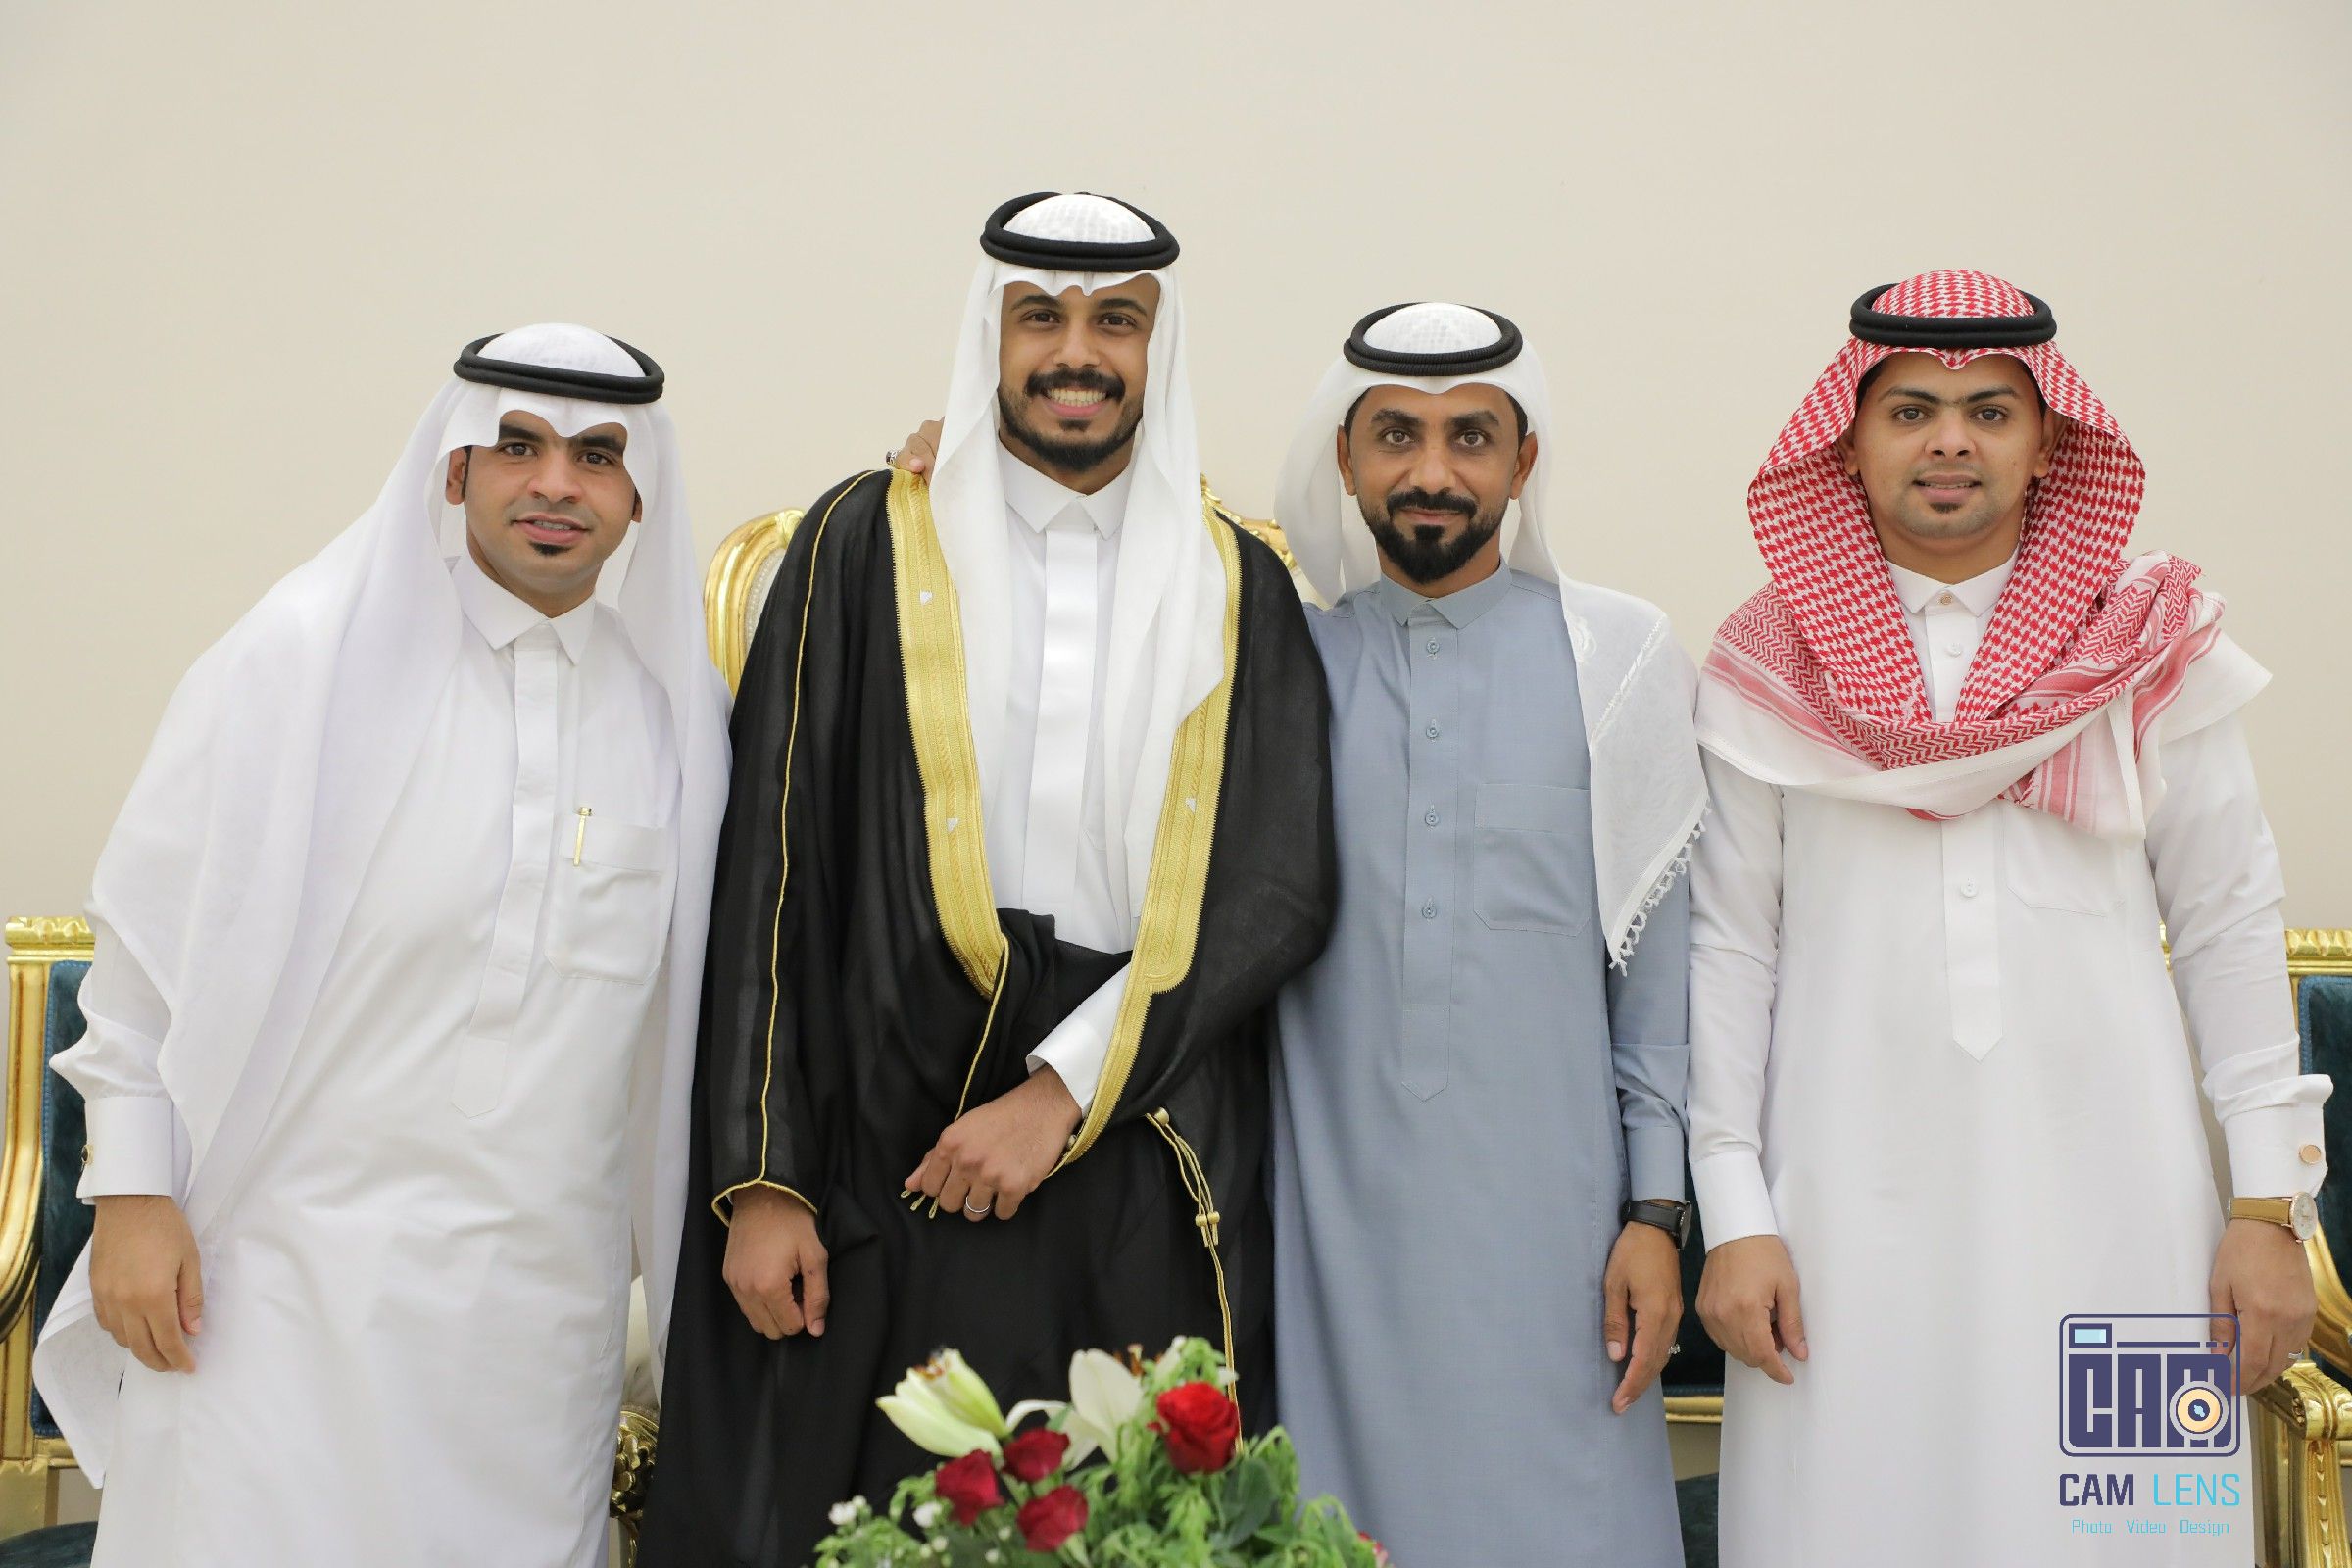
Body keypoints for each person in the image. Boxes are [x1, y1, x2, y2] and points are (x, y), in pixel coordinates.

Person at [639, 191, 1334, 1566]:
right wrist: (763, 1180)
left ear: (1157, 349)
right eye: (1040, 317)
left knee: (1127, 1521)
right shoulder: (860, 543)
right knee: (876, 1519)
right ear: (990, 337)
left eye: (1116, 321)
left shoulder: (1238, 583)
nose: (1077, 351)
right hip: (885, 1129)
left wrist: (1061, 1089)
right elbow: (771, 875)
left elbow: (1277, 887)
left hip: (1141, 1125)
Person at [34, 324, 727, 1567]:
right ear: (455, 469)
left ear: (640, 497)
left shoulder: (678, 725)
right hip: (273, 1288)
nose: (555, 482)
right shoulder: (304, 657)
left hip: (531, 1327)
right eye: (517, 445)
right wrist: (131, 1195)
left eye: (597, 455)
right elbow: (145, 946)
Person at [1689, 271, 2328, 1566]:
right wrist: (1735, 1212)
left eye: (1989, 411)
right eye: (1910, 411)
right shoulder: (1768, 666)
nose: (1950, 442)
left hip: (2119, 1199)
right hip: (1842, 1211)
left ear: (2048, 445)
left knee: (2131, 1521)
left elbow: (2228, 921)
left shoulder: (2148, 645)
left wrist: (2269, 1208)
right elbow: (1729, 947)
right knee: (1851, 1519)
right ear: (1846, 444)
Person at [1265, 302, 1702, 1566]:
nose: (1433, 470)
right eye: (1396, 434)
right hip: (1330, 1243)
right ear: (1346, 458)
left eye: (1471, 436)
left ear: (1523, 461)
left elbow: (1656, 982)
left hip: (1558, 1247)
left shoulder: (1618, 656)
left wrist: (1656, 1214)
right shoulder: (1282, 665)